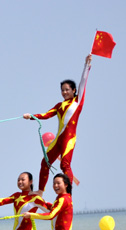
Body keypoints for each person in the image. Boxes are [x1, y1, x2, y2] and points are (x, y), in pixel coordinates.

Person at [24, 54, 92, 193]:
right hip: (58, 139)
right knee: (45, 163)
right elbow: (45, 115)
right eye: (62, 90)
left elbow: (83, 82)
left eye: (67, 90)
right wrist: (31, 116)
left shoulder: (77, 101)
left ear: (74, 90)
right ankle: (40, 191)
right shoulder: (59, 105)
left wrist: (87, 65)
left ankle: (68, 194)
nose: (64, 92)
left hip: (69, 138)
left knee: (65, 164)